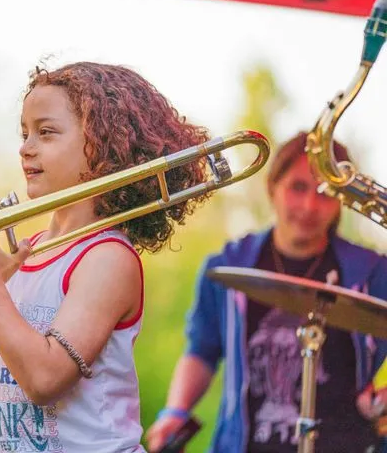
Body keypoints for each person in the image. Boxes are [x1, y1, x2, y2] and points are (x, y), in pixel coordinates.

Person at [0, 62, 213, 452]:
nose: (25, 147)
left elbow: (45, 381)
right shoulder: (26, 252)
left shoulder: (106, 257)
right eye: (25, 133)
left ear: (101, 144)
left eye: (45, 133)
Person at [145, 132, 387, 453]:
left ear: (341, 202)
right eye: (298, 187)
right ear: (273, 187)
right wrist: (176, 412)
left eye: (324, 193)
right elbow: (202, 351)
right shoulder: (229, 265)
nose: (309, 205)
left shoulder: (372, 272)